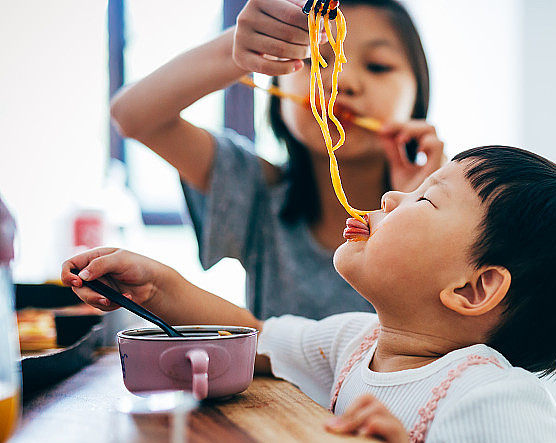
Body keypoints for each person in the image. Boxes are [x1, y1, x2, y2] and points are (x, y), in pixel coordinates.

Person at [63, 146, 556, 443]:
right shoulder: (355, 342)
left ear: (473, 289)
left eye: (426, 199)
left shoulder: (497, 404)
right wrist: (161, 286)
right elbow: (255, 340)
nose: (389, 199)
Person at [110, 0, 443, 320]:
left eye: (378, 66)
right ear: (277, 79)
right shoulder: (257, 190)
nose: (342, 82)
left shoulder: (455, 210)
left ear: (418, 93)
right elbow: (131, 115)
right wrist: (244, 47)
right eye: (315, 60)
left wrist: (421, 213)